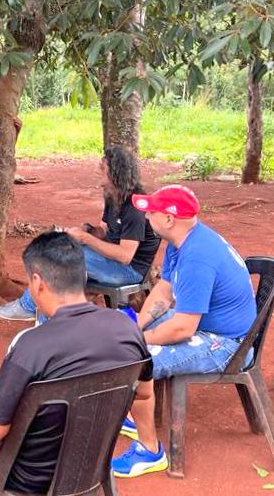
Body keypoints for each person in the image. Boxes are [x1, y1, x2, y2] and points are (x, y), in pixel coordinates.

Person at [0, 232, 151, 496]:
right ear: (82, 276)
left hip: (25, 477)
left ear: (37, 283)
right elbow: (144, 392)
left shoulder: (30, 346)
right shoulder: (127, 329)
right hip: (90, 464)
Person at [110, 184, 257, 478]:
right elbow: (163, 293)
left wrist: (139, 340)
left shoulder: (197, 256)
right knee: (125, 335)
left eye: (151, 212)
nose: (147, 217)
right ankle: (131, 411)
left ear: (168, 219)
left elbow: (182, 328)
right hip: (205, 325)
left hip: (226, 344)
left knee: (136, 360)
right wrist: (136, 326)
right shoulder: (182, 242)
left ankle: (150, 451)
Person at [0, 145, 160, 323]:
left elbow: (125, 256)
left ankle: (28, 307)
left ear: (116, 174)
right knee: (61, 249)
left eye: (103, 169)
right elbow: (104, 229)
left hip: (128, 271)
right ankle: (45, 319)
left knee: (67, 258)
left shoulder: (134, 208)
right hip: (110, 262)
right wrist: (86, 230)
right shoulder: (112, 196)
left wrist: (85, 239)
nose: (98, 172)